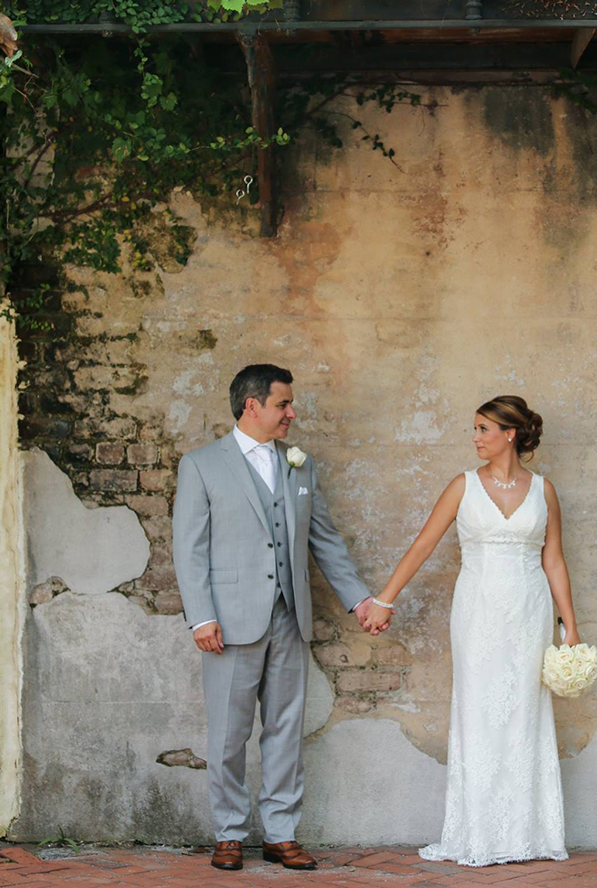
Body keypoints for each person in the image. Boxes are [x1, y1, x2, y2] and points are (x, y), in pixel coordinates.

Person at [172, 363, 387, 872]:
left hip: (290, 616)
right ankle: (229, 832)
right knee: (229, 734)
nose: (292, 413)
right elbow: (188, 547)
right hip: (229, 621)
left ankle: (281, 833)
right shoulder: (201, 465)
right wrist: (201, 617)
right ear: (253, 405)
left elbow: (324, 539)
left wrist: (359, 599)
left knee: (286, 730)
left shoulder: (299, 464)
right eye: (283, 404)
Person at [364, 395, 576, 868]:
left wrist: (570, 628)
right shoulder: (462, 486)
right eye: (475, 429)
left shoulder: (544, 491)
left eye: (484, 429)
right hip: (477, 612)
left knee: (524, 714)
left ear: (510, 434)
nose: (476, 437)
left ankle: (527, 833)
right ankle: (477, 834)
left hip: (529, 612)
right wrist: (384, 599)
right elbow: (423, 544)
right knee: (479, 713)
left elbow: (554, 560)